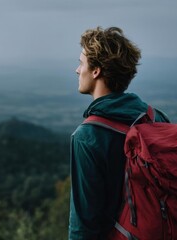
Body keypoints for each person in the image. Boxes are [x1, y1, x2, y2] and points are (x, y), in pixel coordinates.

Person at [68, 26, 170, 239]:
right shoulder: (156, 118)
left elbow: (84, 223)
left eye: (81, 63)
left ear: (96, 71)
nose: (77, 70)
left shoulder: (87, 137)